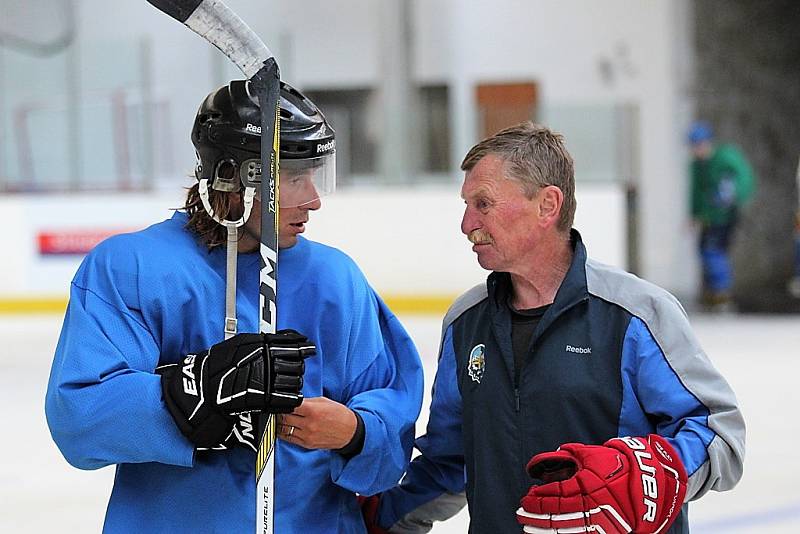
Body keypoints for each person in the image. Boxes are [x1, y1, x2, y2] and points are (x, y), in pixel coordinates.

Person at [45, 79, 424, 533]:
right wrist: (192, 393)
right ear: (233, 176)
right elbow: (79, 421)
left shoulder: (335, 280)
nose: (314, 200)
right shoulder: (132, 268)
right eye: (294, 177)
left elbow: (391, 445)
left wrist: (354, 433)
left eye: (316, 174)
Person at [361, 122, 745, 533]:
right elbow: (450, 462)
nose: (467, 223)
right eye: (466, 205)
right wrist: (376, 521)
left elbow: (719, 434)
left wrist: (646, 474)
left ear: (547, 205)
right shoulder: (465, 322)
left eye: (483, 203)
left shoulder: (636, 314)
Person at [687, 120, 756, 310]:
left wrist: (734, 196)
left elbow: (743, 177)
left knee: (713, 250)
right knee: (704, 250)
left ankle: (722, 292)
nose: (697, 150)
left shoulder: (725, 157)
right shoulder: (697, 166)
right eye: (694, 146)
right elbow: (696, 192)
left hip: (725, 215)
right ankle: (712, 291)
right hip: (709, 217)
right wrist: (693, 214)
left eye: (700, 145)